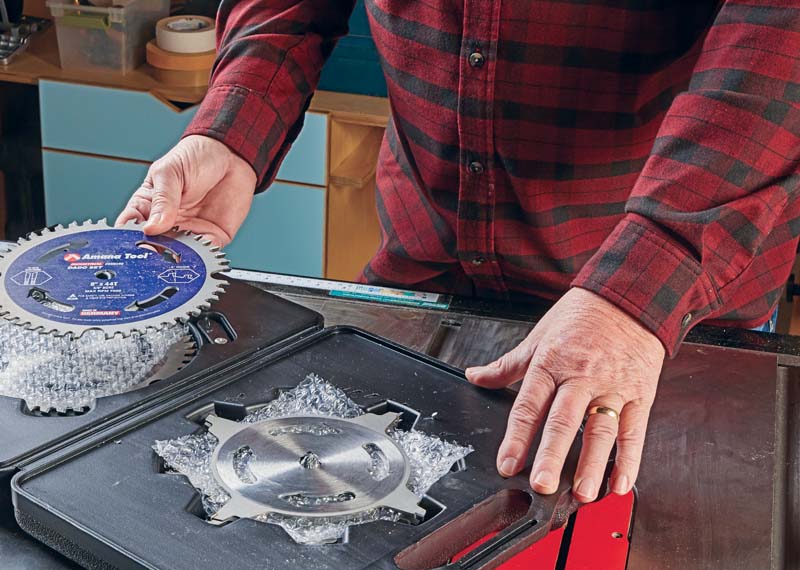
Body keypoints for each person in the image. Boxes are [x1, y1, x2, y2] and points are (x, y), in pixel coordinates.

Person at [118, 1, 800, 504]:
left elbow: (780, 36)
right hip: (432, 265)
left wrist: (650, 273)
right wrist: (232, 130)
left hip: (661, 304)